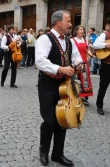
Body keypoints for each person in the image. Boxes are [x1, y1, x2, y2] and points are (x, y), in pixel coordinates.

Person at [35, 10, 82, 166]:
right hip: (48, 85)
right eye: (68, 21)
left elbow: (76, 56)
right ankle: (44, 151)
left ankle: (58, 154)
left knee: (64, 119)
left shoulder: (69, 41)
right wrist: (60, 69)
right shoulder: (44, 39)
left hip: (66, 86)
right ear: (58, 22)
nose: (70, 24)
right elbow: (40, 61)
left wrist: (78, 64)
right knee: (49, 120)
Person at [71, 26, 93, 106]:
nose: (82, 31)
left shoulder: (85, 40)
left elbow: (87, 50)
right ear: (76, 31)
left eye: (83, 30)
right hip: (77, 63)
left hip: (85, 63)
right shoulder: (72, 40)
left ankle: (84, 97)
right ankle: (77, 96)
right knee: (77, 80)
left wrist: (91, 54)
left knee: (85, 80)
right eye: (80, 29)